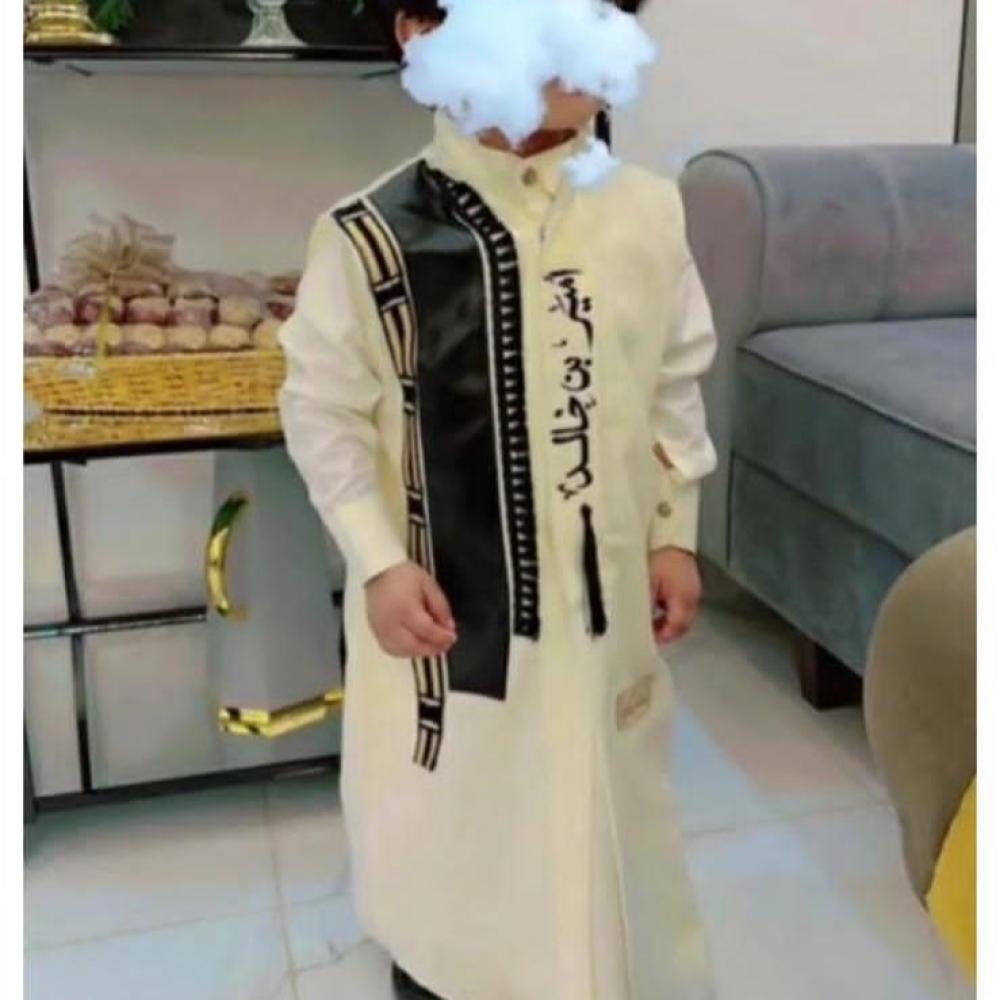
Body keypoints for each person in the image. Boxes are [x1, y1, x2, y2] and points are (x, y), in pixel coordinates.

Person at [278, 1, 718, 996]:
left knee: (613, 806)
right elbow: (322, 410)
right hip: (447, 617)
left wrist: (673, 530)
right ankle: (451, 969)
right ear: (422, 33)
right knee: (457, 818)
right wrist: (378, 560)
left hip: (606, 606)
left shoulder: (647, 211)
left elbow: (673, 378)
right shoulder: (370, 235)